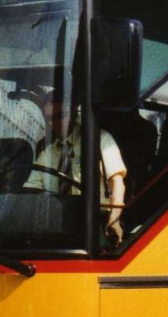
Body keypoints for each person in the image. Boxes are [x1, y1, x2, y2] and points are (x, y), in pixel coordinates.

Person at [25, 99, 127, 244]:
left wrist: (114, 220)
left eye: (60, 116)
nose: (53, 123)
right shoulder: (48, 152)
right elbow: (32, 190)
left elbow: (117, 182)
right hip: (59, 223)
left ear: (73, 112)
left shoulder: (99, 139)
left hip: (97, 220)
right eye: (49, 118)